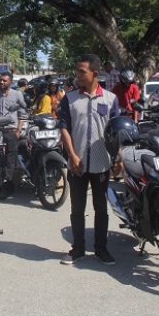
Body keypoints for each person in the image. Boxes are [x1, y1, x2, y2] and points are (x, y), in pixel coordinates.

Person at [58, 54, 120, 266]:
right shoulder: (70, 98)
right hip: (77, 164)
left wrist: (118, 156)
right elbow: (64, 127)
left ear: (94, 73)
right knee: (77, 209)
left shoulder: (110, 99)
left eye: (81, 72)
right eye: (77, 71)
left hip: (101, 163)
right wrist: (72, 155)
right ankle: (78, 249)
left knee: (101, 209)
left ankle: (101, 249)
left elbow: (116, 130)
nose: (77, 75)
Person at [0, 72, 26, 196]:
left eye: (4, 80)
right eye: (0, 81)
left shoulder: (17, 95)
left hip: (12, 131)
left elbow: (22, 115)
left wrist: (18, 131)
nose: (1, 82)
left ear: (10, 82)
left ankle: (8, 185)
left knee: (10, 160)